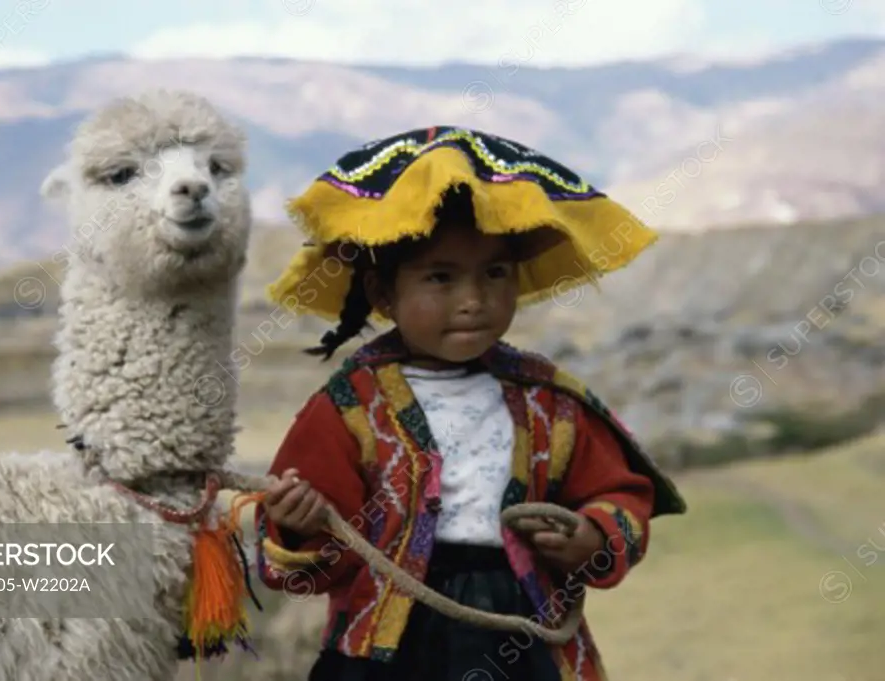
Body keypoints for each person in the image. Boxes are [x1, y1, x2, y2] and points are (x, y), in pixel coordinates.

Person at [253, 126, 687, 681]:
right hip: (389, 652)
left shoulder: (549, 402)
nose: (474, 300)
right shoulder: (349, 407)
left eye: (495, 273)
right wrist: (296, 526)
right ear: (383, 294)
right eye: (441, 277)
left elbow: (619, 493)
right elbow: (298, 564)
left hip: (523, 639)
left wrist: (590, 539)